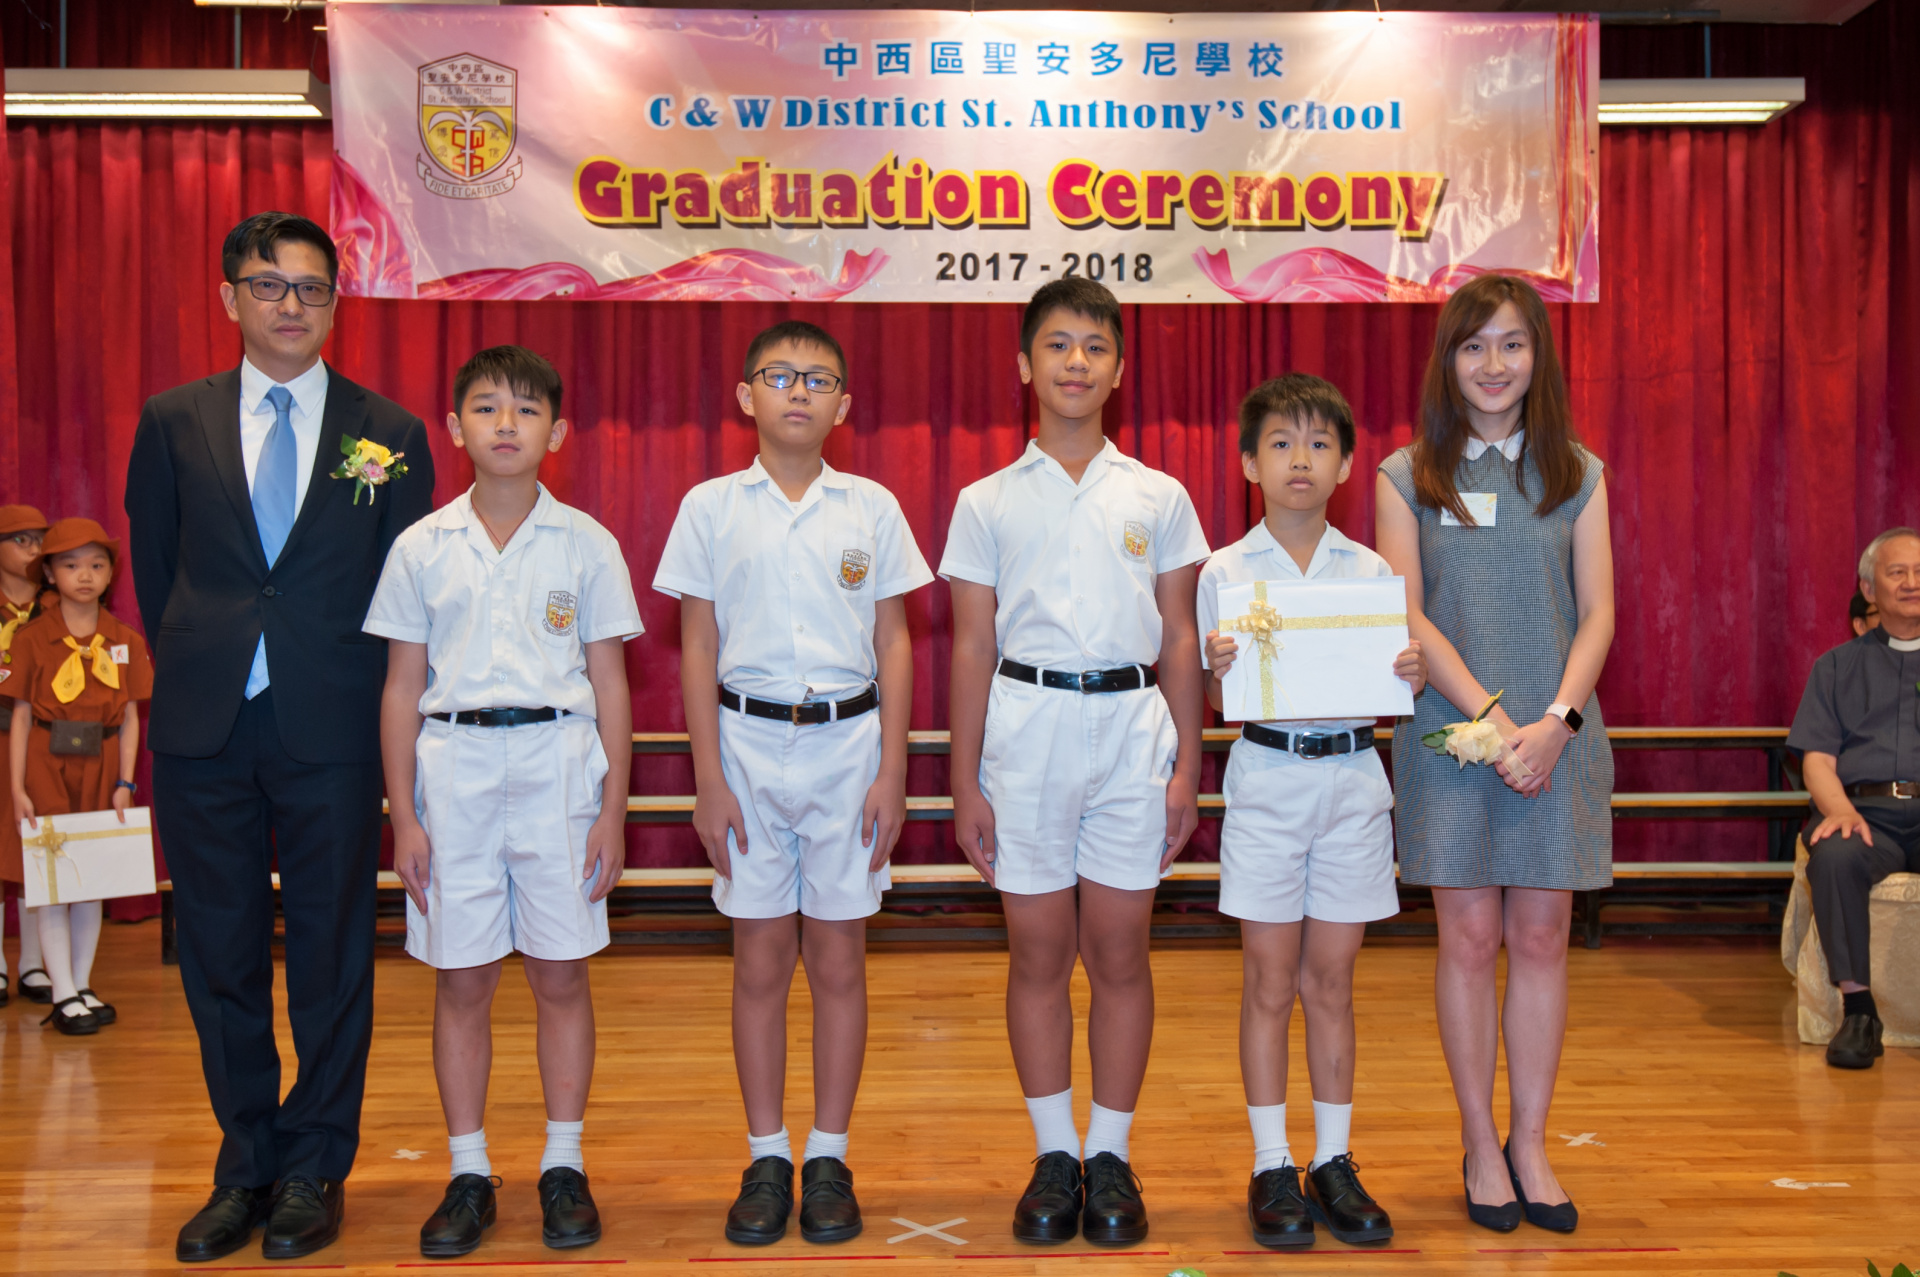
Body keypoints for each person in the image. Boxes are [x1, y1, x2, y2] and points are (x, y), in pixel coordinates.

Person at [125, 211, 435, 1263]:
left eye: (310, 287)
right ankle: (245, 1162)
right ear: (230, 298)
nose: (290, 304)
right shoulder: (174, 419)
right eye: (268, 284)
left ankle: (314, 1165)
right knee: (217, 951)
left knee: (332, 952)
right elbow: (159, 566)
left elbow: (404, 591)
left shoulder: (389, 432)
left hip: (333, 726)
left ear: (336, 302)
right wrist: (209, 658)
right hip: (205, 724)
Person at [943, 278, 1210, 1247]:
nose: (1075, 363)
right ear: (1025, 363)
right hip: (1026, 731)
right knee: (1038, 951)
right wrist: (962, 780)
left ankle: (1112, 1152)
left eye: (1095, 347)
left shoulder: (1159, 495)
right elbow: (971, 644)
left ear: (1119, 369)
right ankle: (1054, 1152)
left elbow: (1179, 636)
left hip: (1132, 727)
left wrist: (1188, 768)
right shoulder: (985, 499)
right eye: (1057, 345)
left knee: (1121, 950)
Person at [654, 320, 930, 1247]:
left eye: (819, 379)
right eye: (779, 376)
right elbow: (697, 643)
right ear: (747, 396)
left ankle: (829, 1157)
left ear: (844, 404)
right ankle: (767, 1155)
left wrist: (893, 767)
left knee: (840, 961)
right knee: (761, 962)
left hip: (849, 750)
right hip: (744, 746)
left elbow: (894, 640)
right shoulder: (709, 506)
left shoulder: (872, 507)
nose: (799, 391)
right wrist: (707, 777)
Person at [365, 345, 642, 1255]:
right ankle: (468, 1169)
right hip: (455, 770)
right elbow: (401, 686)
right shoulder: (421, 545)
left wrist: (612, 809)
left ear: (557, 432)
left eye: (527, 409)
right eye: (487, 408)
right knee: (463, 978)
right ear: (455, 428)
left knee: (561, 973)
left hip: (559, 765)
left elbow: (611, 682)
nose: (507, 424)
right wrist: (404, 814)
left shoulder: (588, 542)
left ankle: (564, 1163)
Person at [1374, 274, 1615, 1236]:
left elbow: (1599, 613)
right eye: (1474, 345)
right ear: (1448, 360)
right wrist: (1491, 719)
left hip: (1559, 742)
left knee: (1543, 939)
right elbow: (1407, 611)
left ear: (1537, 357)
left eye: (1512, 344)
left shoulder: (1579, 473)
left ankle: (1532, 1142)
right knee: (1469, 940)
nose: (1493, 364)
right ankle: (1479, 1141)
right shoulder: (1406, 475)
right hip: (1453, 743)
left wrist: (1554, 721)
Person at [1198, 375, 1427, 1250]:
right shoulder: (1224, 571)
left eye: (1320, 443)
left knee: (1331, 981)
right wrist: (1219, 667)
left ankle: (1332, 1159)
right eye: (1282, 443)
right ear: (1250, 463)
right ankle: (1271, 1162)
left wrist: (1404, 675)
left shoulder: (1370, 573)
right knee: (1268, 980)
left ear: (1347, 463)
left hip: (1353, 782)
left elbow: (1387, 687)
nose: (1302, 458)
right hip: (1266, 779)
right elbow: (1211, 690)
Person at [6, 518, 153, 1034]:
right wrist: (18, 787)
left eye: (96, 564)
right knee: (53, 878)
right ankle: (62, 990)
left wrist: (126, 782)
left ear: (111, 573)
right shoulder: (32, 639)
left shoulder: (124, 640)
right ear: (49, 573)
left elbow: (131, 717)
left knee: (93, 877)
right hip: (47, 762)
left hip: (103, 763)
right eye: (70, 565)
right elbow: (21, 715)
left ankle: (82, 983)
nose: (84, 575)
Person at [1789, 527, 1920, 1070]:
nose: (1912, 583)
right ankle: (1860, 1013)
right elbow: (1817, 760)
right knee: (1835, 854)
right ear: (1870, 588)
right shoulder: (1836, 667)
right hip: (1868, 817)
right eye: (1898, 572)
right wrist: (1840, 809)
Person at [0, 504, 50, 1006]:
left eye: (39, 540)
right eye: (21, 540)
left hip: (38, 742)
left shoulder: (57, 606)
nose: (33, 550)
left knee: (38, 846)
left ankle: (34, 963)